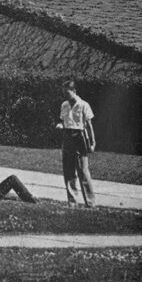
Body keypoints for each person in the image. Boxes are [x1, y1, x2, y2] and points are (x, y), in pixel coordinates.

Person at [56, 79, 96, 207]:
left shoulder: (84, 105)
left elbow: (89, 126)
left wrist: (92, 142)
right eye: (63, 93)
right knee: (68, 170)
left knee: (83, 171)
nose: (65, 96)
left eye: (67, 93)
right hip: (67, 137)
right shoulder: (64, 105)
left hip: (80, 138)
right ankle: (72, 202)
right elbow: (63, 121)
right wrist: (60, 125)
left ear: (74, 91)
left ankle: (90, 203)